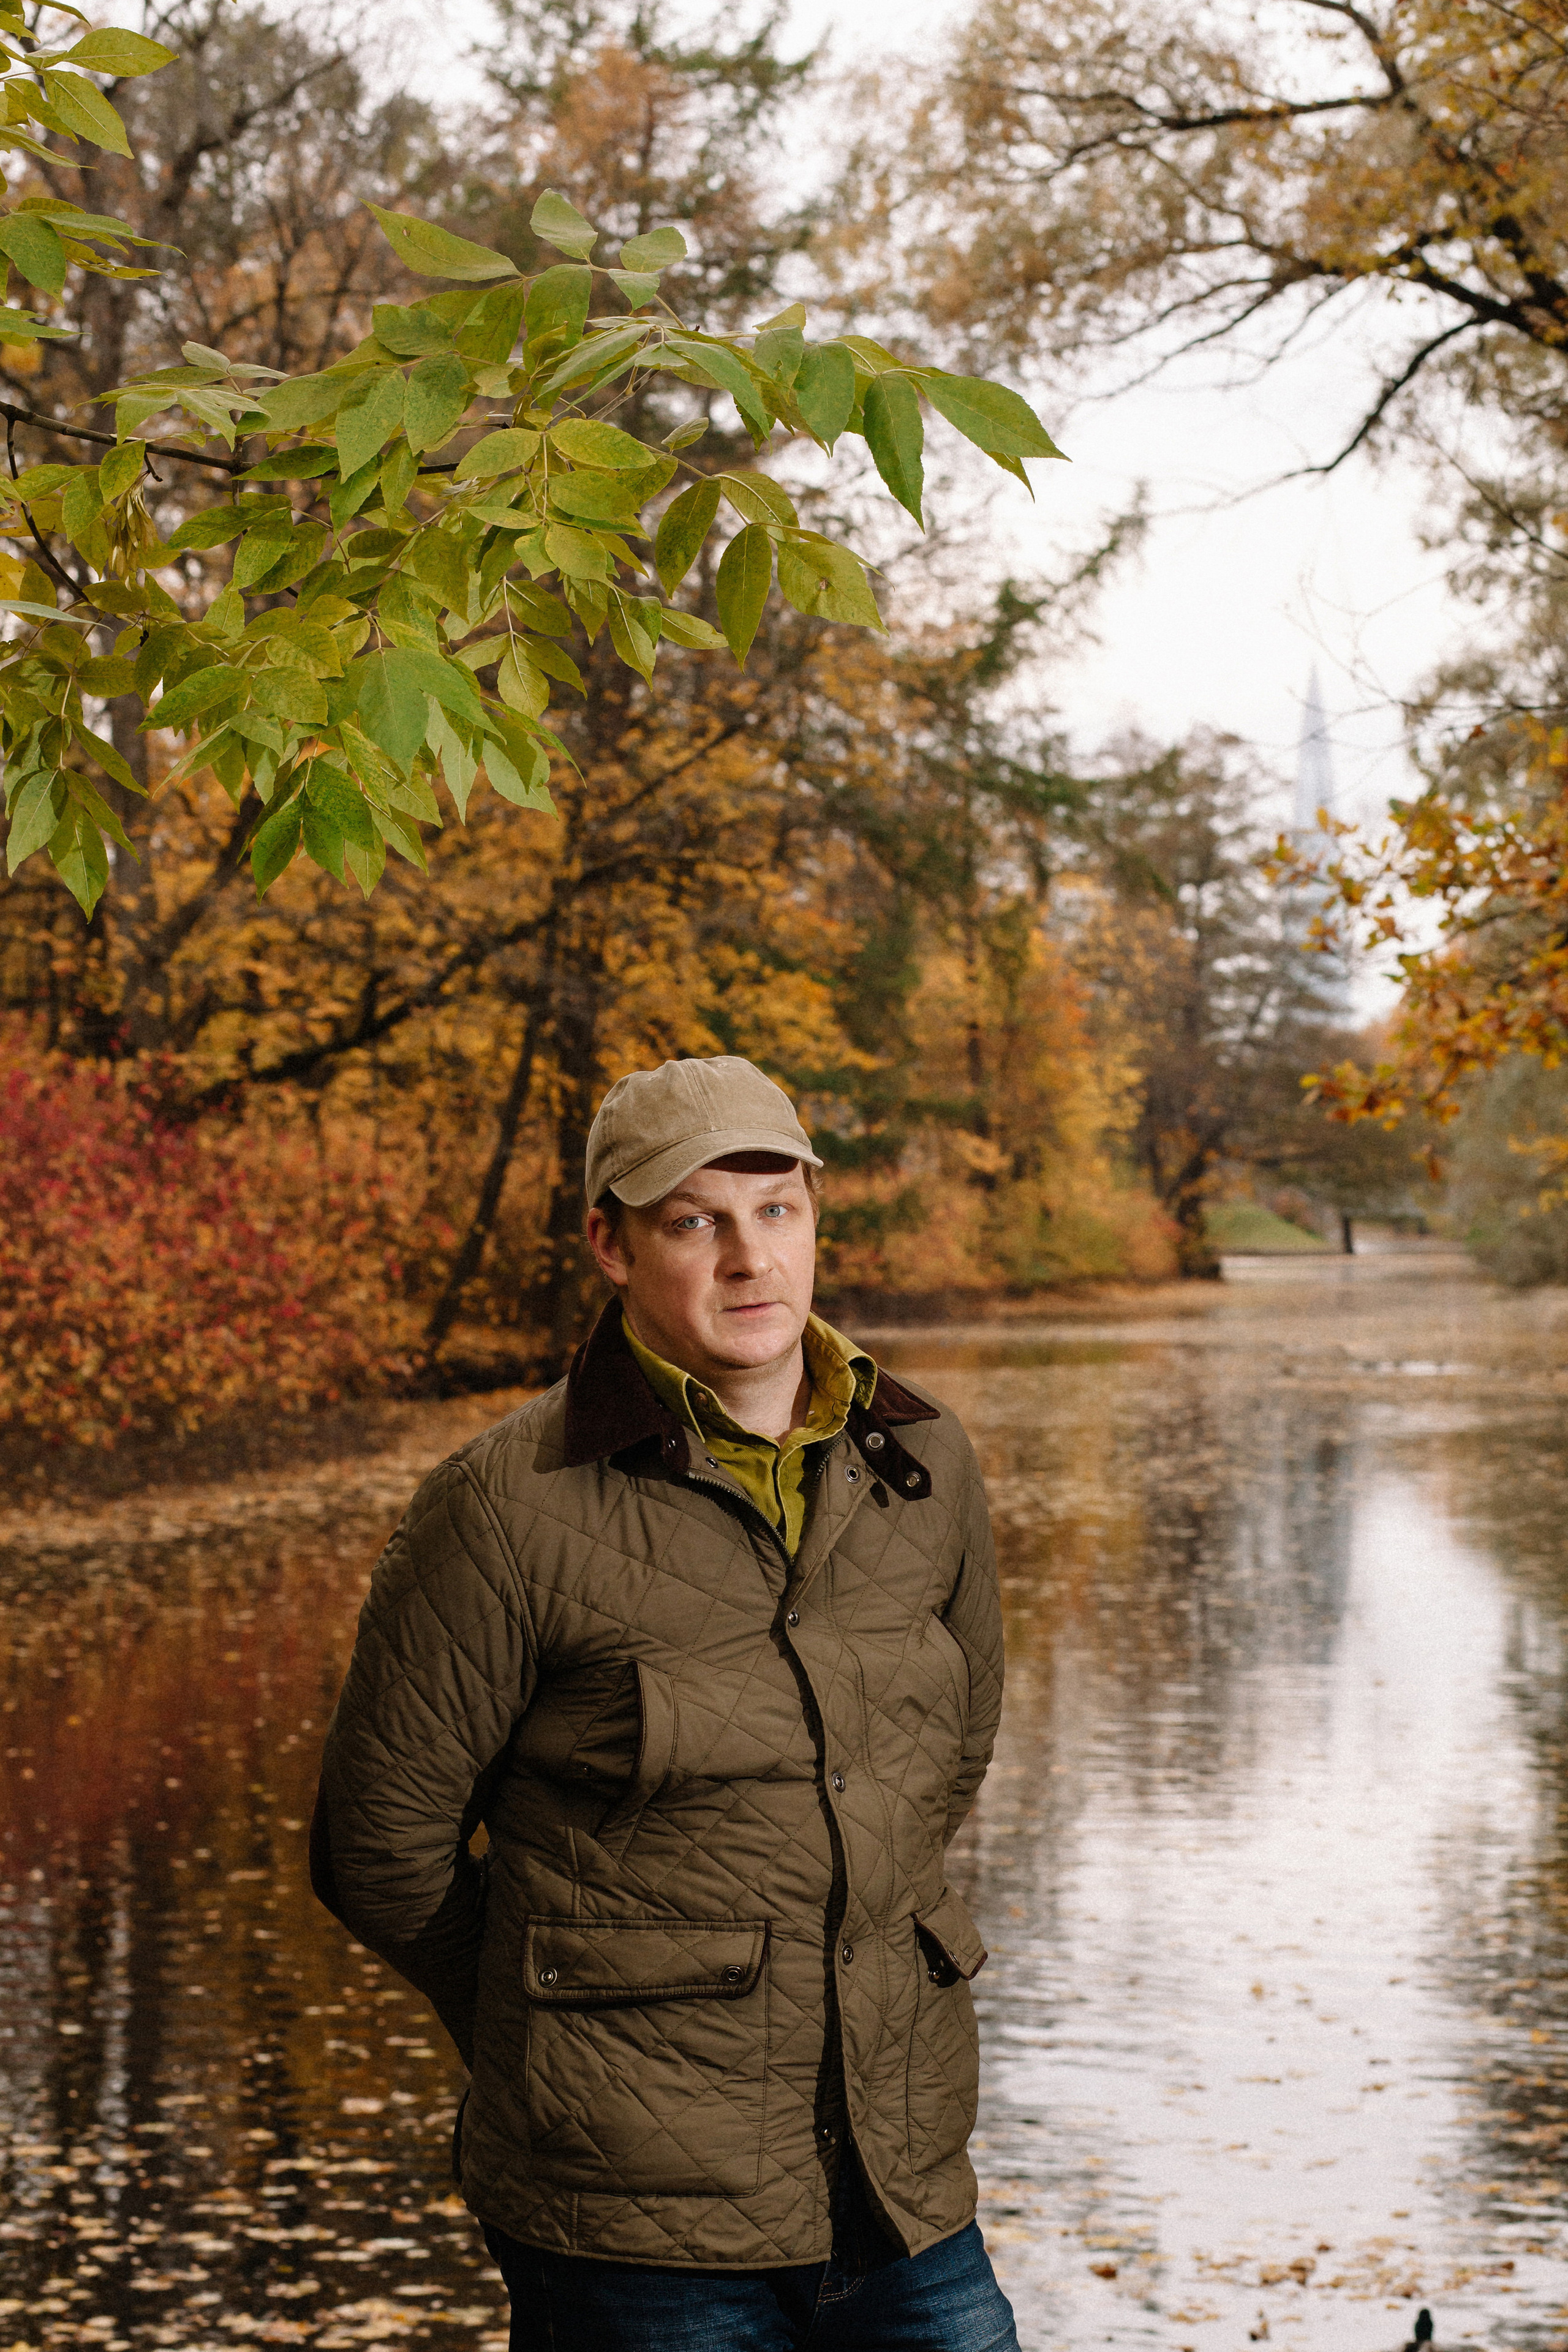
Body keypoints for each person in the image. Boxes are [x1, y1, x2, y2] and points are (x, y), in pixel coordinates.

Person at [311, 1054, 1015, 2352]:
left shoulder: (924, 1461)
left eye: (776, 1210)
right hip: (623, 2221)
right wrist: (554, 2019)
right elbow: (379, 1848)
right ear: (609, 1244)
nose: (750, 1259)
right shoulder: (501, 1508)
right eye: (694, 1221)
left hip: (900, 2185)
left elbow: (947, 1745)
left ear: (813, 1218)